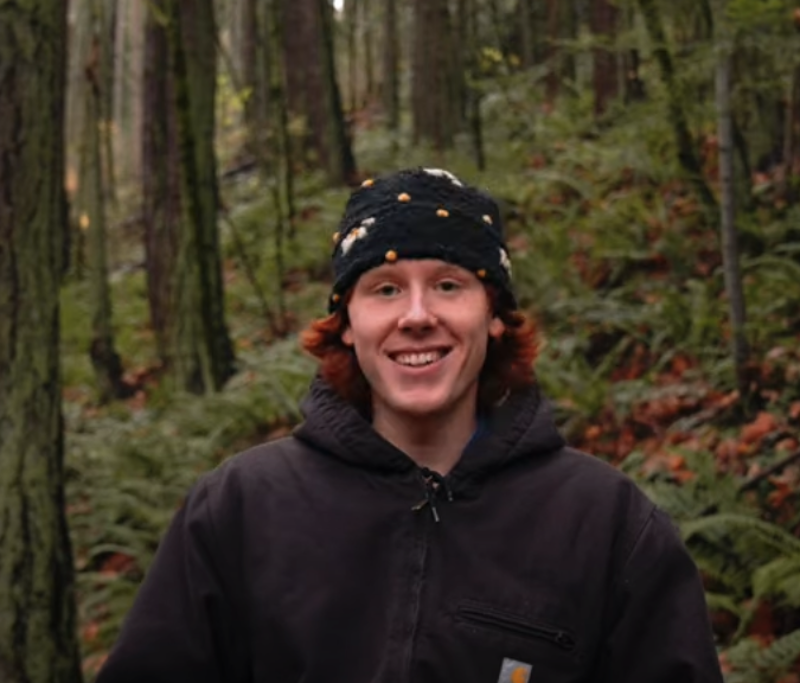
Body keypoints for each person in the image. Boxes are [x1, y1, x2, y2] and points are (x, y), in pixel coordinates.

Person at [97, 168, 724, 683]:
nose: (417, 316)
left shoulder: (605, 525)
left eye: (448, 285)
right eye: (386, 289)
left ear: (495, 316)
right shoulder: (239, 510)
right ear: (347, 322)